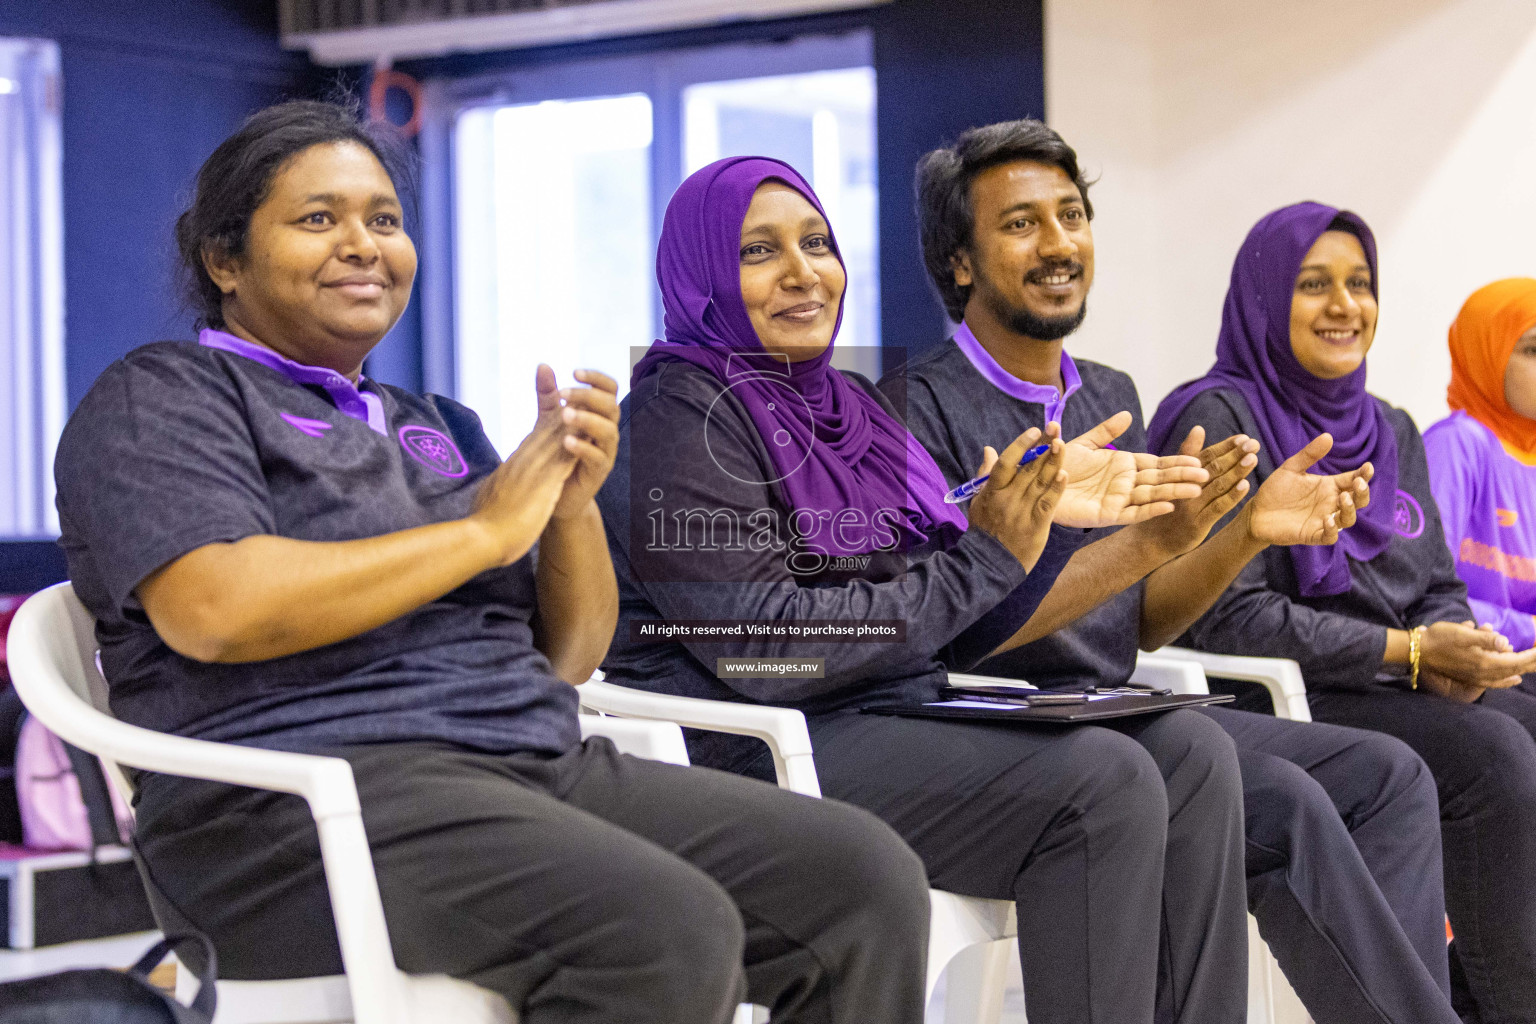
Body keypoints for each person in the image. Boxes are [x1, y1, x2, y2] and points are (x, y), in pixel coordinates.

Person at [50, 100, 934, 1024]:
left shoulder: (435, 422)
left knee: (861, 881)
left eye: (384, 220)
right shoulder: (163, 396)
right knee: (662, 933)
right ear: (223, 259)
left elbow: (570, 653)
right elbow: (215, 609)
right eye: (320, 219)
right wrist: (481, 533)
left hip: (522, 762)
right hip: (290, 811)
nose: (363, 244)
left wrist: (570, 508)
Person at [597, 154, 1252, 1024]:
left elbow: (954, 619)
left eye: (818, 242)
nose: (804, 272)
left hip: (891, 709)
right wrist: (985, 554)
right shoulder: (679, 417)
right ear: (703, 271)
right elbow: (771, 649)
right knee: (1102, 786)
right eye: (759, 252)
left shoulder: (852, 408)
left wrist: (1045, 526)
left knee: (1191, 755)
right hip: (764, 743)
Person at [889, 120, 1459, 1024]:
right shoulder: (916, 406)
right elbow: (956, 628)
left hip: (1122, 708)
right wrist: (1069, 532)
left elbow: (1143, 621)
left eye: (1072, 216)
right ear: (961, 263)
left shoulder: (1111, 392)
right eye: (1022, 224)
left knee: (1387, 775)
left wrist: (1241, 536)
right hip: (1006, 727)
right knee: (1289, 808)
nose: (1059, 244)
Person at [1149, 202, 1536, 1024]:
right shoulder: (1220, 417)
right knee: (1493, 753)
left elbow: (1434, 582)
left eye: (1359, 284)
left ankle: (1469, 992)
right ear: (1263, 299)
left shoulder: (1388, 425)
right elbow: (1227, 619)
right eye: (1313, 285)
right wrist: (1409, 653)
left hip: (1395, 678)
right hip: (1279, 695)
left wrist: (1455, 641)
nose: (1344, 306)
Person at [1425, 279, 1536, 654]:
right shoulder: (1458, 444)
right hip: (1461, 661)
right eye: (1533, 350)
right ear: (1486, 352)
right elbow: (1421, 595)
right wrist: (1528, 630)